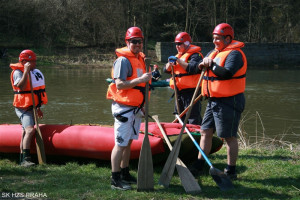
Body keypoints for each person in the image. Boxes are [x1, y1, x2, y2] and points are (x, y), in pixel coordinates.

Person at [190, 23, 247, 180]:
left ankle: (231, 170)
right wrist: (201, 64)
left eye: (218, 39)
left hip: (230, 100)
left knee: (228, 136)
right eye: (213, 38)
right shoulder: (214, 52)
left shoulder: (235, 54)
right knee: (205, 131)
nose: (214, 42)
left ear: (228, 38)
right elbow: (195, 68)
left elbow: (227, 73)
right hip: (213, 100)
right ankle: (200, 163)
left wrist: (212, 65)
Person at [106, 27, 152, 190]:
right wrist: (141, 79)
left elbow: (141, 87)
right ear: (127, 42)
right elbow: (120, 84)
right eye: (134, 41)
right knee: (120, 144)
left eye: (140, 41)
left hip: (137, 108)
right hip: (124, 109)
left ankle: (125, 172)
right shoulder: (123, 60)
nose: (137, 44)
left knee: (129, 142)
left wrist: (144, 105)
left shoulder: (139, 59)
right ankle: (115, 178)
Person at [10, 49, 48, 167]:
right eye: (33, 62)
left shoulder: (33, 72)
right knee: (30, 130)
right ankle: (26, 160)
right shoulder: (18, 72)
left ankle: (22, 158)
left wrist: (38, 108)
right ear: (25, 61)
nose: (35, 64)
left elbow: (34, 93)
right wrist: (25, 71)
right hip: (23, 108)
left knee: (25, 131)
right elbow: (21, 87)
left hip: (31, 107)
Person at [163, 32, 203, 125]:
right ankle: (180, 136)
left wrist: (178, 61)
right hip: (179, 92)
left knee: (192, 116)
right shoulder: (177, 56)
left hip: (192, 92)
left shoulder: (196, 55)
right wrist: (170, 64)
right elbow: (165, 69)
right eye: (176, 44)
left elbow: (193, 68)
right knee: (178, 116)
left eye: (179, 44)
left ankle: (195, 135)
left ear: (186, 43)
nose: (177, 46)